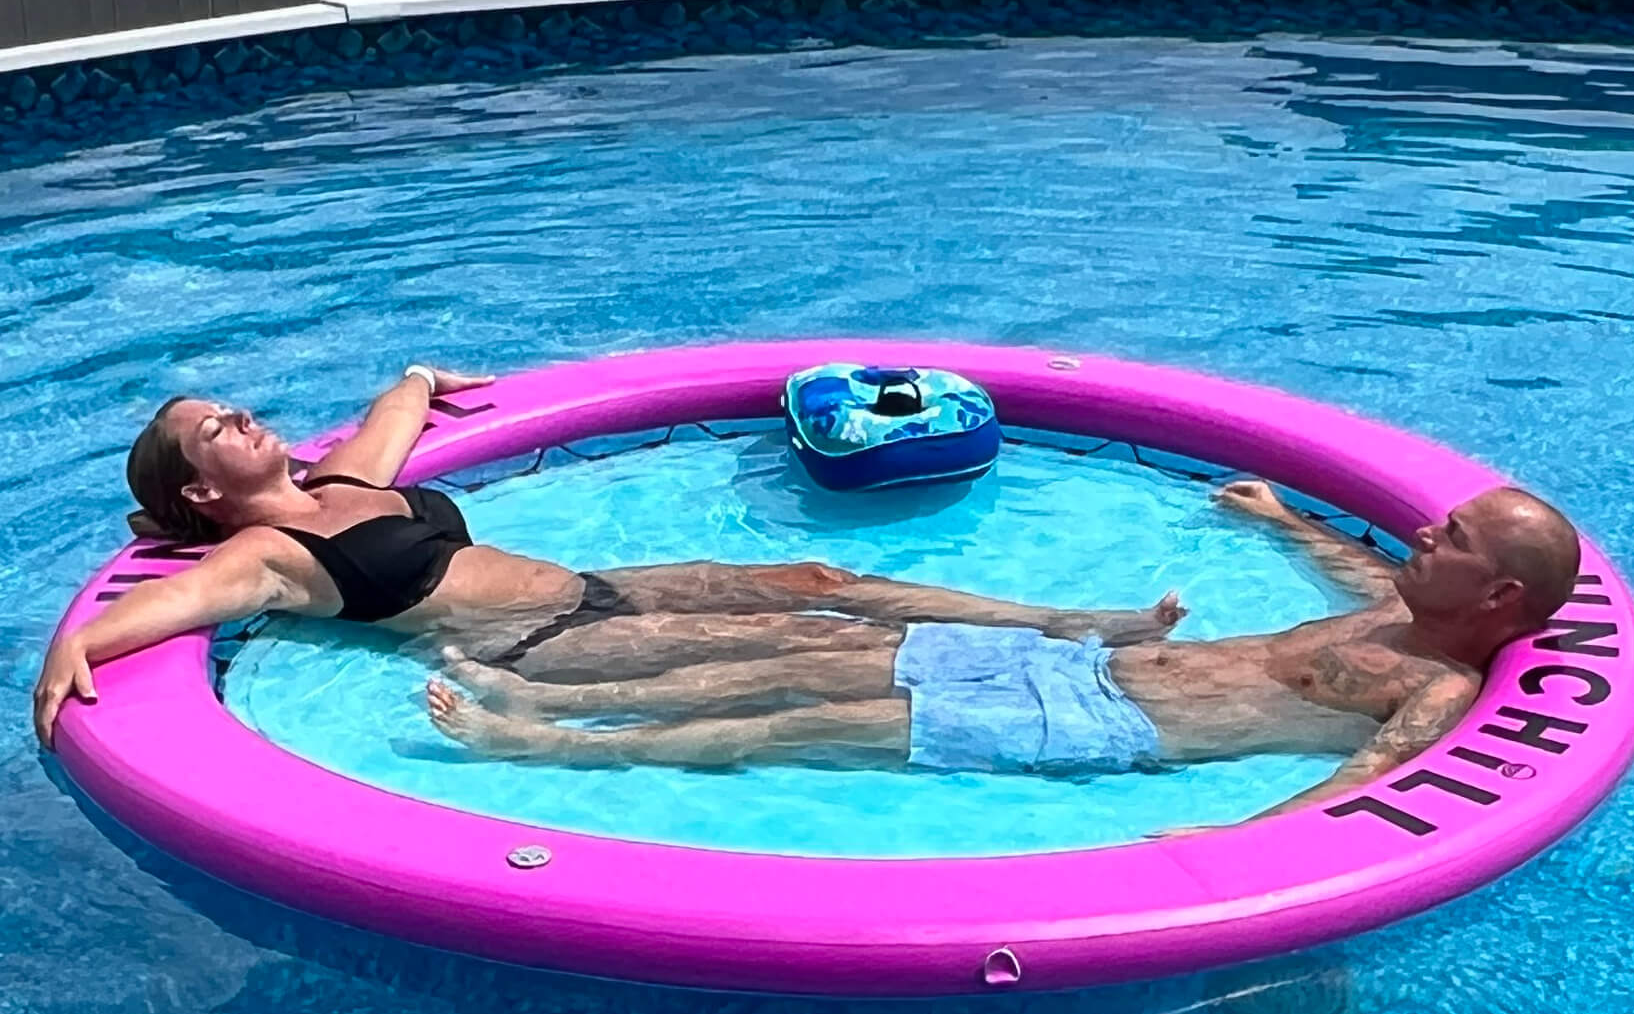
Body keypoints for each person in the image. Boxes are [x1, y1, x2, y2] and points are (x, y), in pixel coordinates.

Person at [31, 365, 1186, 748]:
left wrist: (426, 380)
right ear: (198, 488)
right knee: (810, 650)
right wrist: (72, 647)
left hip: (594, 591)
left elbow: (399, 399)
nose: (240, 418)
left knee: (822, 585)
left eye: (231, 407)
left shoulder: (343, 482)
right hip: (540, 642)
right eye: (215, 430)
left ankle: (1069, 621)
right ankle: (1070, 689)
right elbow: (166, 607)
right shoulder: (270, 555)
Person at [424, 481, 1582, 824]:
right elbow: (1344, 560)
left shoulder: (1435, 681)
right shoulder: (1386, 598)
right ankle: (531, 675)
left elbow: (1369, 779)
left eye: (1451, 537)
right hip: (1076, 671)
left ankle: (539, 747)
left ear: (1494, 593)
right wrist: (1280, 519)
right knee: (812, 653)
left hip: (1091, 727)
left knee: (809, 724)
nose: (1420, 530)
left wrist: (1241, 842)